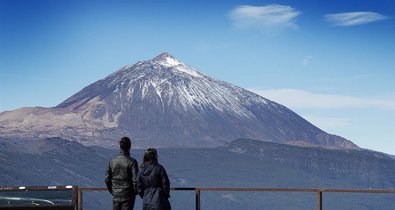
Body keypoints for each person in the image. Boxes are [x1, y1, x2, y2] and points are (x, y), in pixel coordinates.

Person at [105, 137, 139, 210]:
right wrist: (135, 191)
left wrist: (112, 190)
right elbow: (135, 179)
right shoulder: (132, 161)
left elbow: (107, 178)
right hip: (128, 194)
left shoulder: (112, 161)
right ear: (130, 146)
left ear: (120, 146)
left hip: (116, 193)